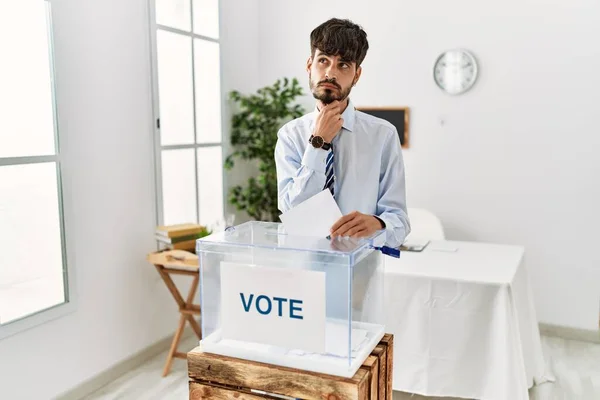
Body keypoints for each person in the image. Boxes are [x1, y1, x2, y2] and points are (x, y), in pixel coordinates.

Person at [274, 18, 410, 248]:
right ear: (309, 65)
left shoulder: (383, 135)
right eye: (323, 60)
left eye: (343, 64)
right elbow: (292, 211)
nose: (330, 73)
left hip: (361, 269)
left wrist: (378, 224)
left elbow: (400, 223)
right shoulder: (290, 136)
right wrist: (319, 143)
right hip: (304, 268)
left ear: (357, 75)